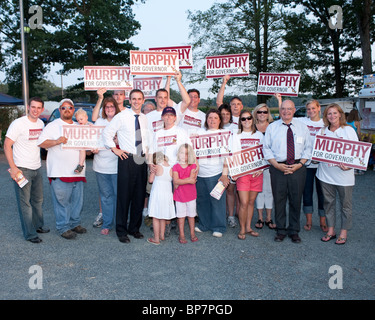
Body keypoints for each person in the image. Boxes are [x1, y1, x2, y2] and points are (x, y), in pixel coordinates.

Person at [102, 89, 149, 244]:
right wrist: (115, 149)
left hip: (141, 159)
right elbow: (106, 134)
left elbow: (148, 140)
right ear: (130, 100)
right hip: (126, 159)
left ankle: (134, 228)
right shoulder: (121, 116)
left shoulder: (144, 118)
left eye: (139, 99)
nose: (136, 101)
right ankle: (121, 230)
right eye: (134, 99)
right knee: (124, 197)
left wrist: (152, 159)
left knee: (139, 196)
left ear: (143, 100)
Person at [37, 98, 87, 240]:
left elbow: (85, 147)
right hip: (60, 171)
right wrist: (57, 141)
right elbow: (40, 142)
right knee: (62, 202)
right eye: (64, 108)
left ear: (73, 110)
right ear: (60, 110)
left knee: (77, 201)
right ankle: (63, 227)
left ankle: (75, 223)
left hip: (77, 171)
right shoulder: (53, 126)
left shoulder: (79, 126)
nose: (67, 110)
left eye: (70, 108)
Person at [263, 100, 312, 243]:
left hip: (297, 168)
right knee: (279, 200)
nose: (286, 111)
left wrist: (300, 164)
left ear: (294, 110)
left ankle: (294, 230)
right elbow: (266, 148)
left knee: (296, 200)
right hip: (278, 168)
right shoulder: (272, 127)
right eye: (283, 109)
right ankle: (281, 230)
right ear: (280, 110)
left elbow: (308, 148)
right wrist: (276, 165)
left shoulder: (303, 127)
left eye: (289, 109)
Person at [4, 97, 50, 243]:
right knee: (25, 203)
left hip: (37, 168)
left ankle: (38, 226)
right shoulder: (18, 124)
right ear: (28, 108)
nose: (36, 110)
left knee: (38, 200)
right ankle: (30, 234)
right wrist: (13, 167)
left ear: (42, 109)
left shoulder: (41, 123)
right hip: (22, 169)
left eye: (39, 108)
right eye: (33, 107)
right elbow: (6, 145)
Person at [317, 103, 358, 245]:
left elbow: (357, 153)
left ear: (340, 114)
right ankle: (331, 230)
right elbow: (317, 152)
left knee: (345, 205)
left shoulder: (348, 130)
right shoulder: (322, 131)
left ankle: (344, 232)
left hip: (344, 176)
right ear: (326, 116)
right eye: (329, 113)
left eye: (335, 113)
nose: (332, 116)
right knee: (328, 203)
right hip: (325, 175)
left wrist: (349, 165)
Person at [194, 109, 230, 237]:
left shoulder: (224, 134)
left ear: (220, 120)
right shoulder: (199, 133)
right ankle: (204, 224)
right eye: (210, 118)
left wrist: (224, 174)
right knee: (202, 201)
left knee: (217, 201)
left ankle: (219, 227)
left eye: (215, 118)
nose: (212, 120)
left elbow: (228, 156)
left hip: (216, 173)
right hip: (200, 174)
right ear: (206, 120)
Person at [232, 109, 264, 240]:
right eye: (243, 119)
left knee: (251, 202)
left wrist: (261, 168)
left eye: (249, 118)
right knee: (243, 202)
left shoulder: (259, 135)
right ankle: (242, 229)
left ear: (253, 119)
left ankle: (249, 227)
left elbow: (264, 152)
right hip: (243, 174)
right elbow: (234, 154)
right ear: (240, 121)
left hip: (256, 173)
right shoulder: (236, 135)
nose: (246, 121)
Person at [296, 100, 327, 231]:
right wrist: (280, 100)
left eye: (313, 108)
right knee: (307, 192)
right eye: (308, 109)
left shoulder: (326, 123)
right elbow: (285, 115)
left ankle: (323, 221)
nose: (311, 111)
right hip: (307, 164)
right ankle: (309, 221)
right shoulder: (302, 121)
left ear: (319, 108)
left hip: (322, 165)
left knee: (323, 194)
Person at [92, 97, 121, 235]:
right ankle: (108, 223)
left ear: (116, 108)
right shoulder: (99, 122)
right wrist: (93, 148)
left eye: (112, 106)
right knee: (106, 196)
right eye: (106, 107)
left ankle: (120, 222)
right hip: (101, 166)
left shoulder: (120, 122)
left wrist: (118, 141)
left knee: (119, 195)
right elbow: (93, 140)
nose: (109, 109)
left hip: (117, 166)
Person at [252, 103, 276, 230]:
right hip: (256, 165)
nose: (262, 114)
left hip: (270, 163)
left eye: (265, 112)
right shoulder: (251, 127)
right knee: (259, 191)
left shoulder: (273, 127)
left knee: (269, 190)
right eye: (260, 112)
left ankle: (269, 217)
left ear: (268, 114)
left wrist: (279, 100)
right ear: (256, 113)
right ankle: (260, 217)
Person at [147, 152, 175, 245]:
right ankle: (162, 235)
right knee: (163, 216)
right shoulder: (170, 167)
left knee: (156, 217)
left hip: (158, 194)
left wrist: (151, 171)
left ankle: (156, 238)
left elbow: (150, 180)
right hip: (167, 194)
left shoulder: (157, 167)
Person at [172, 143, 199, 244]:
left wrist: (180, 181)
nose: (184, 155)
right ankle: (182, 234)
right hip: (179, 197)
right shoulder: (175, 167)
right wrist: (186, 180)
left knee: (191, 216)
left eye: (187, 153)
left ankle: (192, 233)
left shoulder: (193, 165)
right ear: (178, 154)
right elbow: (175, 181)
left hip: (191, 196)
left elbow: (192, 180)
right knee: (181, 216)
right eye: (182, 153)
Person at [218, 103, 238, 228]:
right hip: (216, 164)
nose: (225, 116)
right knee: (218, 190)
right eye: (222, 114)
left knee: (230, 190)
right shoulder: (214, 127)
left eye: (227, 114)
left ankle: (231, 216)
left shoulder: (236, 127)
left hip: (231, 163)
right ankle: (220, 216)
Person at [74, 108, 91, 174]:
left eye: (81, 119)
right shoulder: (77, 125)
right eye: (78, 120)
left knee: (82, 150)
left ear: (86, 117)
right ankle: (80, 165)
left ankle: (80, 165)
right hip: (82, 144)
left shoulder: (89, 124)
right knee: (82, 150)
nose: (79, 121)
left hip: (89, 143)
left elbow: (95, 130)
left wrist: (92, 127)